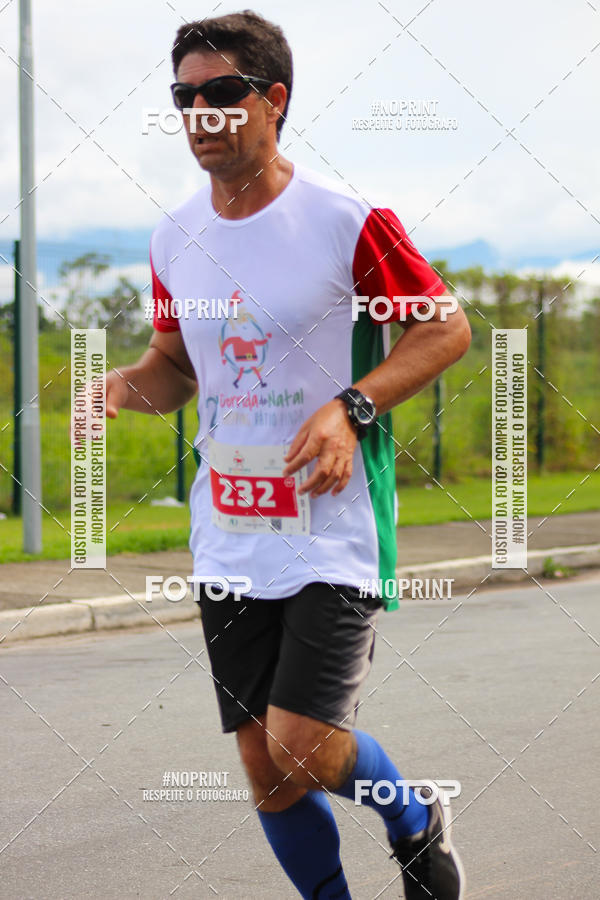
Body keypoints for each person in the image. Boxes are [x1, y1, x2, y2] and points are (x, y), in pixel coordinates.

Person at [105, 11, 471, 898]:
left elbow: (446, 328)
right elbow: (176, 370)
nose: (202, 113)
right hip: (229, 535)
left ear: (273, 101)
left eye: (223, 93)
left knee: (302, 742)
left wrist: (353, 407)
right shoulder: (172, 239)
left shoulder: (349, 222)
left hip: (332, 524)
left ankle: (414, 814)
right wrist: (123, 387)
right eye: (185, 98)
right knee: (268, 772)